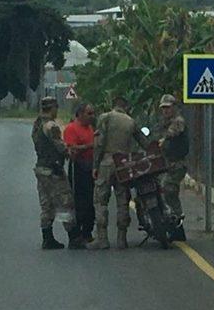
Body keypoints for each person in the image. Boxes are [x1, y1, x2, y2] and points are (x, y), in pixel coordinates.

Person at [88, 96, 148, 250]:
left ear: (113, 105)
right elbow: (143, 142)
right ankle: (122, 239)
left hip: (107, 162)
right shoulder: (131, 121)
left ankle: (102, 239)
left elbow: (99, 143)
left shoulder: (105, 118)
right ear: (126, 107)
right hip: (124, 164)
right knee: (123, 201)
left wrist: (95, 165)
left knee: (101, 200)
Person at [31, 97, 85, 250]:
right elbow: (60, 146)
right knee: (65, 202)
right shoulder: (51, 126)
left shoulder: (37, 124)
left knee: (46, 204)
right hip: (53, 170)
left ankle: (47, 237)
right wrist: (70, 152)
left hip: (41, 168)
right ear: (53, 108)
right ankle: (73, 236)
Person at [157, 94, 189, 242]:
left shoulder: (178, 121)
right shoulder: (165, 122)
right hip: (167, 163)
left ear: (174, 107)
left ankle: (177, 227)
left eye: (168, 107)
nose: (165, 111)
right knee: (163, 191)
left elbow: (171, 134)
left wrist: (163, 140)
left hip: (177, 164)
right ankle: (172, 226)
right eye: (163, 108)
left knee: (168, 189)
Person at [63, 102, 96, 243]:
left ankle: (87, 232)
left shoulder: (90, 128)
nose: (92, 116)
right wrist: (88, 146)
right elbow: (71, 151)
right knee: (79, 201)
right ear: (80, 114)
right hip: (78, 168)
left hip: (91, 166)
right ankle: (76, 233)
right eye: (89, 113)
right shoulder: (71, 128)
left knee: (91, 200)